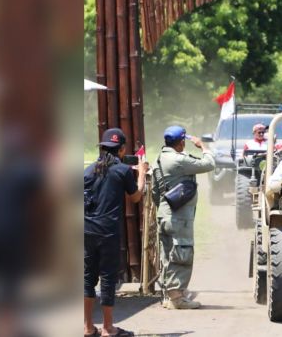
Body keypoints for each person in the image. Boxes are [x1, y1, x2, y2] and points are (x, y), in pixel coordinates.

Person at [84, 128, 148, 337]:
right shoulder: (122, 171)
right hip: (108, 232)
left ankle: (87, 327)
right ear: (121, 150)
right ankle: (108, 328)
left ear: (102, 148)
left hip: (86, 229)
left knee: (87, 278)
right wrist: (142, 175)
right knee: (108, 278)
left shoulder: (87, 171)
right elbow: (136, 197)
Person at [155, 126, 216, 309]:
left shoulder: (160, 158)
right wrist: (203, 147)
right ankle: (177, 299)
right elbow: (209, 164)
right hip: (178, 217)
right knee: (182, 253)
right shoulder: (178, 160)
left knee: (167, 256)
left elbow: (154, 191)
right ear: (181, 142)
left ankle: (168, 296)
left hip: (165, 214)